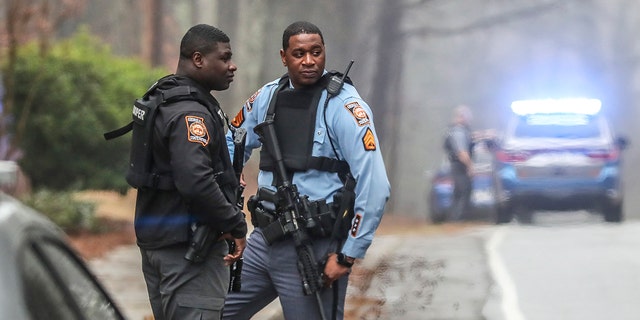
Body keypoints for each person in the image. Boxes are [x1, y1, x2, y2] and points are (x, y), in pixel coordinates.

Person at [222, 21, 390, 320]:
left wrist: (348, 254)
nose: (309, 61)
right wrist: (231, 173)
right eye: (299, 53)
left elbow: (374, 185)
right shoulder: (267, 97)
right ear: (284, 57)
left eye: (316, 52)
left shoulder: (345, 106)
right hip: (264, 240)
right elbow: (233, 142)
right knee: (214, 312)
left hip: (313, 247)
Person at [131, 24, 247, 319]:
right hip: (187, 252)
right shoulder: (189, 113)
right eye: (224, 58)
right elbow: (195, 181)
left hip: (160, 243)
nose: (232, 66)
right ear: (198, 59)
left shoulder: (165, 96)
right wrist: (236, 224)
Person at [445, 105, 474, 221]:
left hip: (455, 165)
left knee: (457, 192)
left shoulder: (453, 130)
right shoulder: (459, 131)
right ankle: (459, 219)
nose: (469, 120)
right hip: (460, 166)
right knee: (464, 191)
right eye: (468, 117)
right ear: (462, 117)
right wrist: (470, 166)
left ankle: (455, 218)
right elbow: (462, 152)